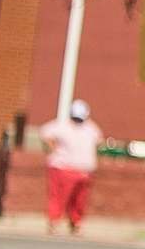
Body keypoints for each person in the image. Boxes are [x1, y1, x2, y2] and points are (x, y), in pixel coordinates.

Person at [37, 99, 102, 234]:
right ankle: (54, 222)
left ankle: (75, 223)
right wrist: (52, 148)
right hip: (63, 167)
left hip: (84, 170)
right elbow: (44, 133)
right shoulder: (62, 125)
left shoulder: (90, 128)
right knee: (59, 197)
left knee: (79, 200)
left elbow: (98, 141)